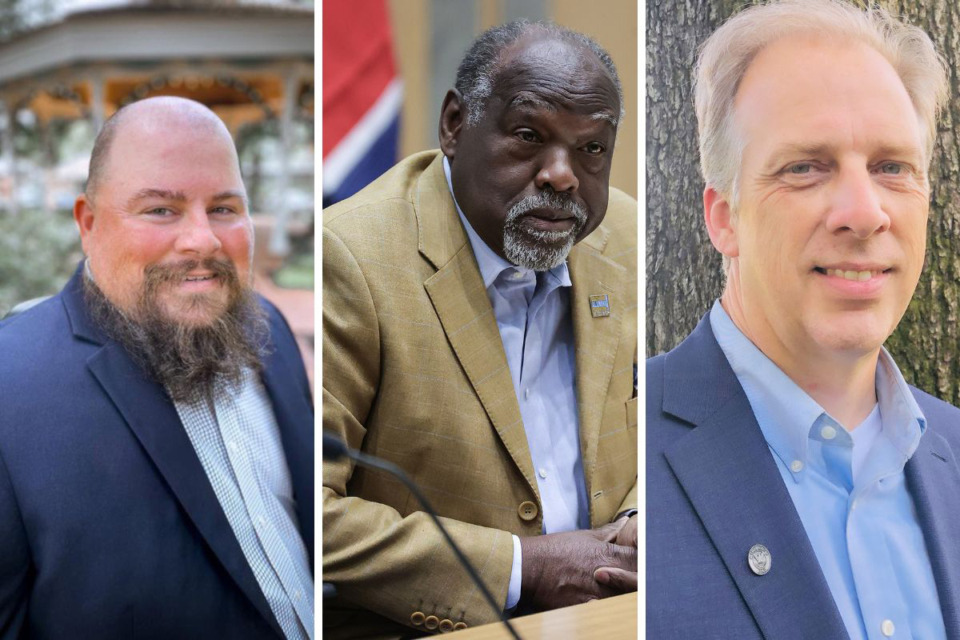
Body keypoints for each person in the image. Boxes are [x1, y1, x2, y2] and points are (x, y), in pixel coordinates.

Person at [647, 1, 960, 638]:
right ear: (724, 217)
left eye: (891, 167)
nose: (863, 212)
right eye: (805, 167)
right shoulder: (626, 447)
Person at [323, 20, 638, 638]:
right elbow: (311, 516)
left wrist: (638, 521)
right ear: (453, 125)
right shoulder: (353, 259)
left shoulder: (624, 238)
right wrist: (521, 567)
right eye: (529, 136)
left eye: (591, 148)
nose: (561, 174)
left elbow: (670, 425)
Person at [0, 97, 315, 639]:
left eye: (223, 208)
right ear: (89, 223)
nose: (203, 239)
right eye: (161, 210)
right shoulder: (12, 385)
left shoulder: (273, 334)